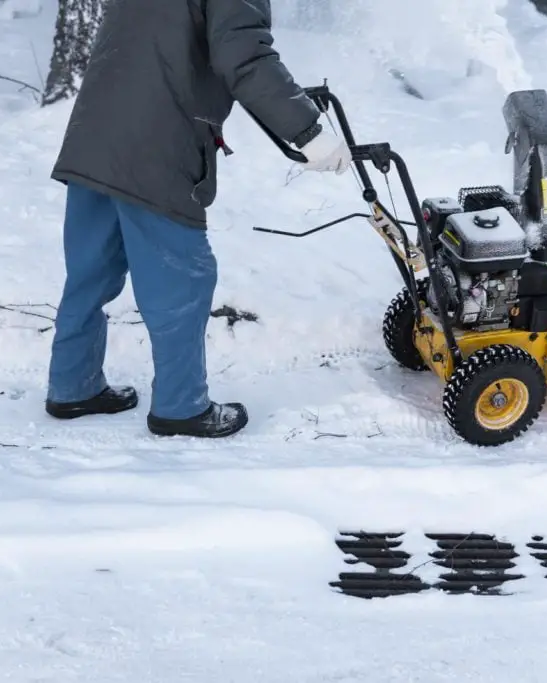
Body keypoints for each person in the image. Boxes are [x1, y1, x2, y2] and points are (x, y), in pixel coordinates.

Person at [42, 0, 351, 438]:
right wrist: (308, 130)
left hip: (94, 134)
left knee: (90, 272)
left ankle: (73, 386)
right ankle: (181, 407)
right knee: (181, 279)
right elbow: (243, 56)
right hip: (154, 145)